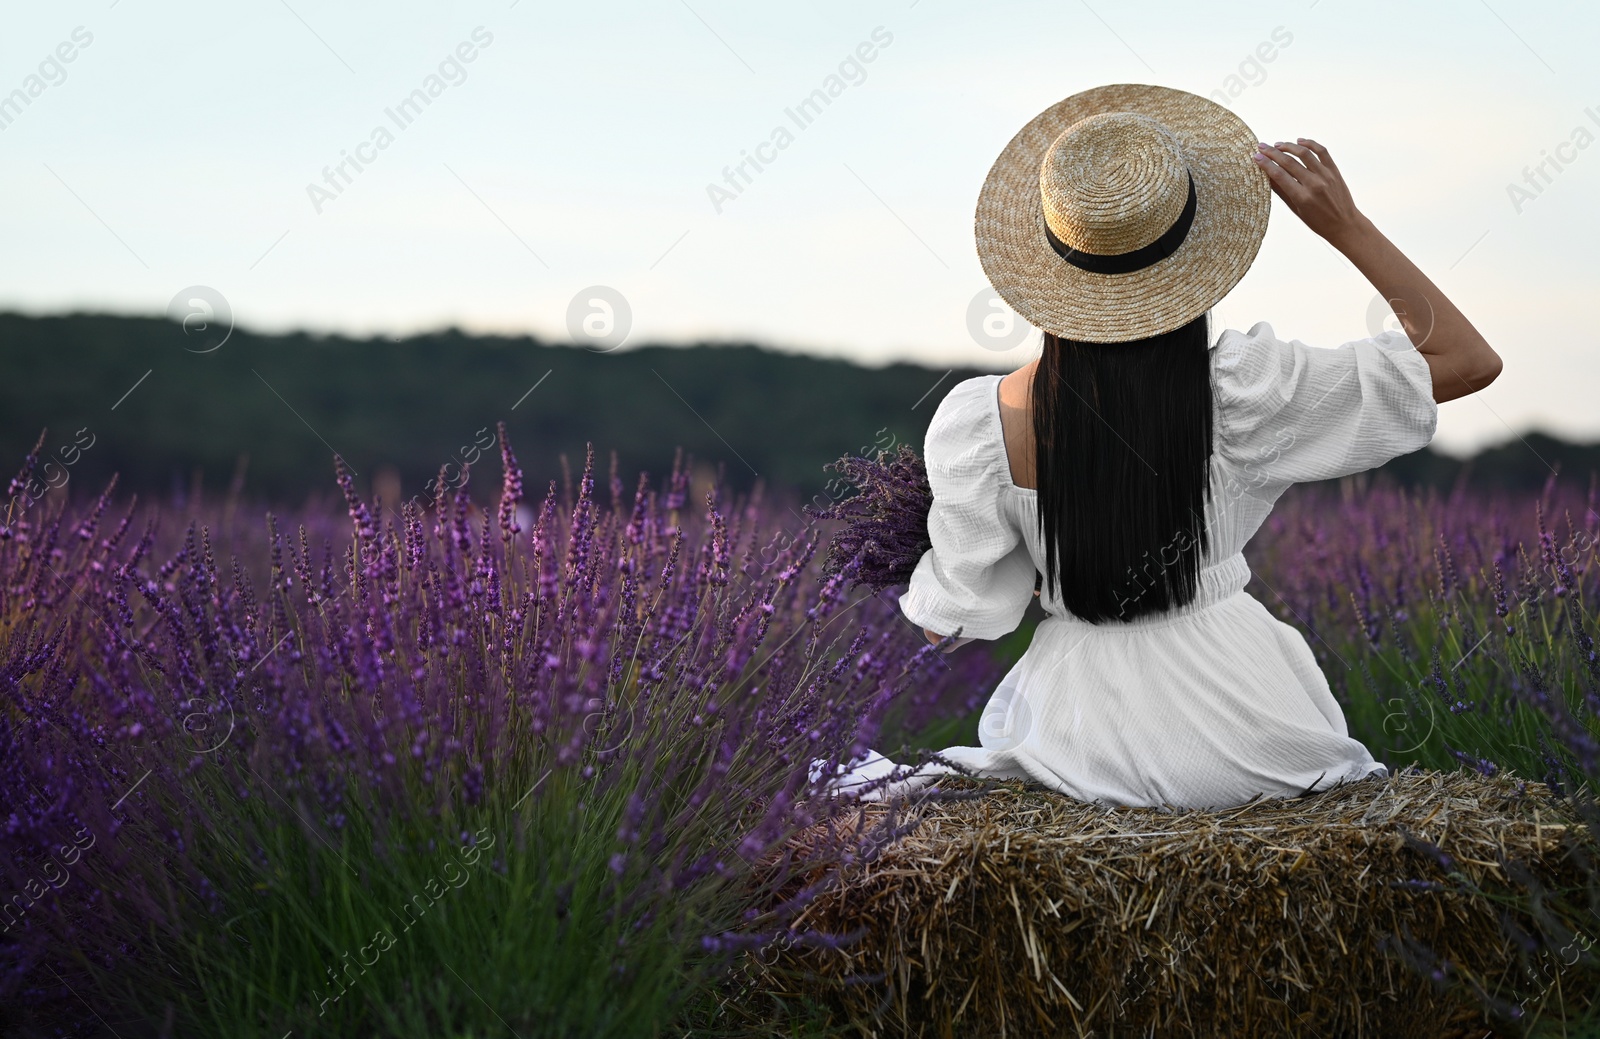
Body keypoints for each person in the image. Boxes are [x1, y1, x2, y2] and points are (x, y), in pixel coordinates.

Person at [811, 84, 1501, 810]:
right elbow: (1466, 359)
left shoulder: (981, 423)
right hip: (1255, 733)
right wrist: (1347, 226)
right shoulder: (1247, 390)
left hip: (1077, 747)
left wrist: (934, 536)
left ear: (1050, 264)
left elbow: (953, 620)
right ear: (1194, 253)